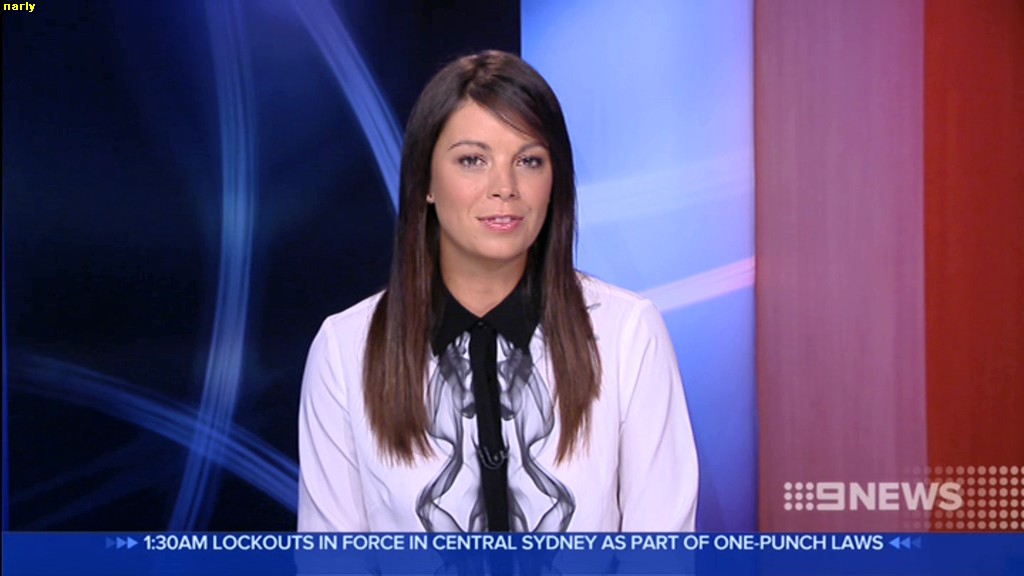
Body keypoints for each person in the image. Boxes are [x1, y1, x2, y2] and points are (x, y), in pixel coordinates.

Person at [297, 50, 698, 533]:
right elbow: (332, 558)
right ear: (426, 181)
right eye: (473, 160)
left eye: (529, 161)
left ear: (555, 180)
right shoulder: (346, 349)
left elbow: (661, 553)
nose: (505, 186)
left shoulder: (628, 333)